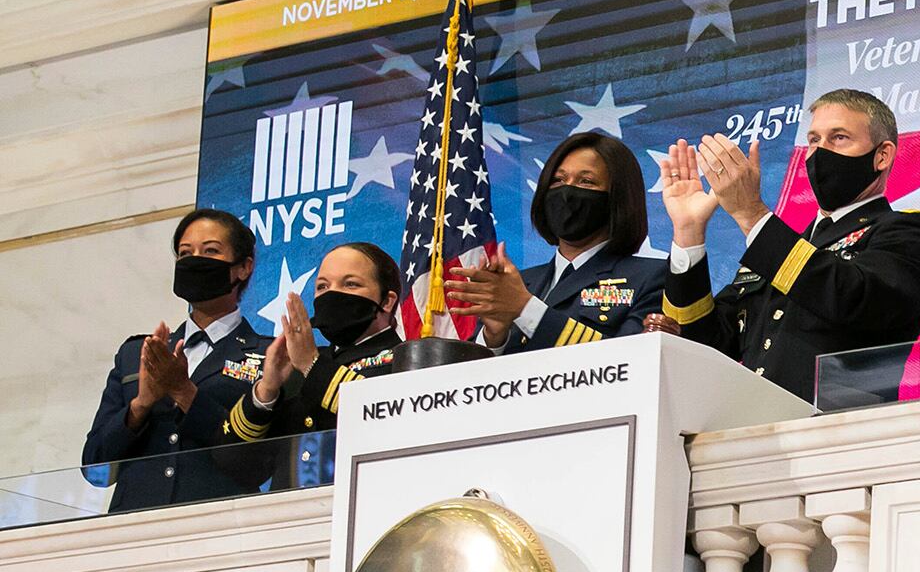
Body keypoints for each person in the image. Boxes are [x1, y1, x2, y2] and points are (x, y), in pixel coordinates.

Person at [658, 89, 920, 402]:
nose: (820, 153)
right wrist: (688, 232)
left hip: (838, 433)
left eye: (839, 138)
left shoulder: (908, 231)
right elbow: (705, 341)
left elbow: (854, 298)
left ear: (882, 155)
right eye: (814, 140)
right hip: (751, 433)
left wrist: (751, 214)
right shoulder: (781, 248)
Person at [82, 208, 267, 513]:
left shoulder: (268, 359)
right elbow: (95, 468)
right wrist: (140, 405)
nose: (195, 260)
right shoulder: (136, 354)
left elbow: (258, 465)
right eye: (185, 253)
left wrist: (183, 391)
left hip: (221, 529)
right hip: (132, 532)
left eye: (210, 251)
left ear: (243, 267)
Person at [444, 131, 667, 352]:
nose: (567, 191)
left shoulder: (652, 278)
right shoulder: (517, 283)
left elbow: (630, 363)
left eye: (586, 181)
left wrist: (525, 308)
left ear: (618, 197)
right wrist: (495, 335)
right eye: (558, 180)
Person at [222, 241, 403, 448]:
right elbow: (230, 461)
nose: (331, 294)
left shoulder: (405, 360)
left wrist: (311, 364)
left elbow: (388, 421)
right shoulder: (297, 367)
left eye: (350, 284)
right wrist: (266, 391)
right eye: (322, 286)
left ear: (387, 302)